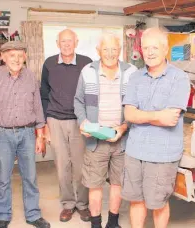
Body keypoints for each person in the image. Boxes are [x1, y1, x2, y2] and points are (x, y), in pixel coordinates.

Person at [121, 27, 191, 228]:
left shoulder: (179, 78)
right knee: (136, 200)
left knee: (158, 203)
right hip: (135, 151)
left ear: (165, 49)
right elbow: (129, 114)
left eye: (154, 47)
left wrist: (141, 116)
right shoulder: (135, 77)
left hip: (162, 154)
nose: (149, 52)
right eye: (145, 47)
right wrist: (157, 115)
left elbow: (170, 119)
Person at [0, 41, 50, 228]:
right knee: (3, 177)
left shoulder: (31, 76)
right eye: (12, 55)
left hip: (27, 133)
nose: (17, 59)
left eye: (20, 55)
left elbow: (38, 109)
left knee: (30, 176)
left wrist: (40, 136)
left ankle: (33, 214)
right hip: (1, 134)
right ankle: (3, 215)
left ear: (25, 57)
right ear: (3, 57)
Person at [74, 33, 137, 228]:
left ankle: (113, 222)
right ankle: (95, 224)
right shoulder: (88, 71)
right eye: (106, 49)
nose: (110, 53)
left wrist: (124, 126)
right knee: (95, 184)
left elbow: (136, 104)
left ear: (120, 51)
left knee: (117, 183)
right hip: (95, 140)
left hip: (122, 138)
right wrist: (83, 122)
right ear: (98, 51)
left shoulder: (132, 72)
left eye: (114, 49)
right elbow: (78, 101)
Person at [40, 29, 92, 222]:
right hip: (55, 120)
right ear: (57, 43)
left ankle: (83, 205)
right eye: (63, 41)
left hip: (80, 121)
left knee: (80, 166)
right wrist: (45, 123)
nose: (67, 44)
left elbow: (93, 93)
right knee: (62, 166)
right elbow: (44, 94)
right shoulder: (49, 64)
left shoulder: (87, 63)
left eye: (70, 41)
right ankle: (68, 204)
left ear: (76, 42)